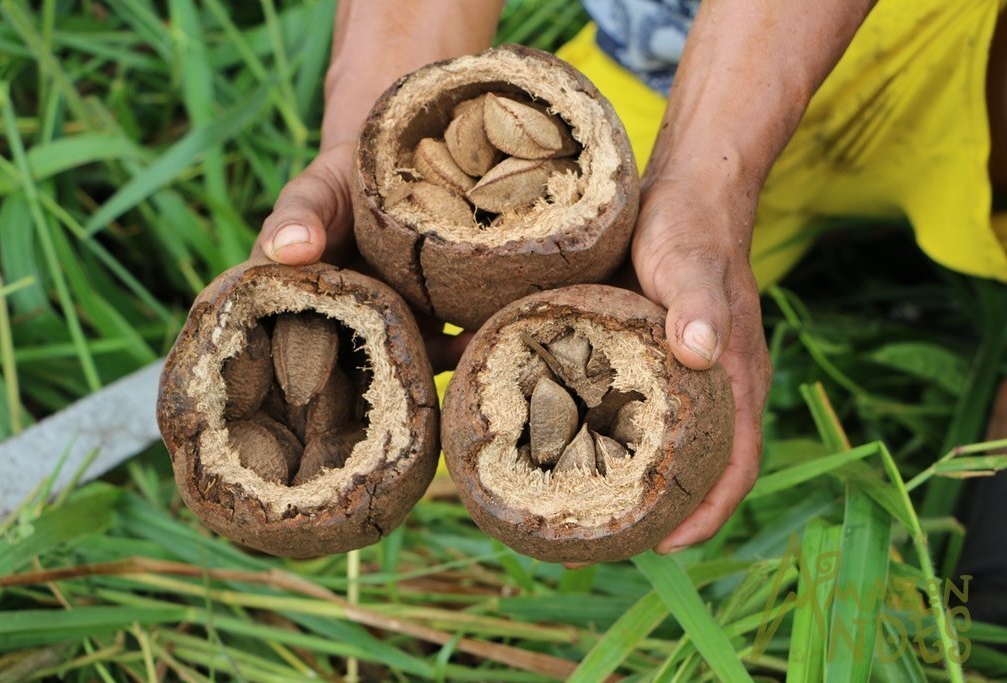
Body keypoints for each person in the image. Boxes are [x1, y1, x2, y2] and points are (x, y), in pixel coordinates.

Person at [251, 0, 1007, 560]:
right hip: (677, 56)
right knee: (443, 390)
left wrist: (720, 178)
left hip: (954, 33)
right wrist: (359, 143)